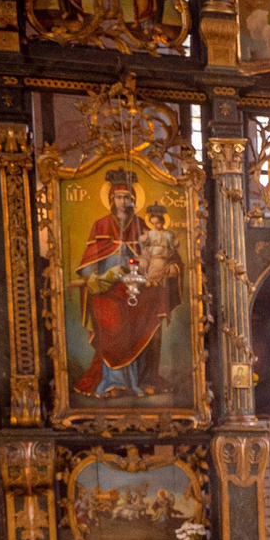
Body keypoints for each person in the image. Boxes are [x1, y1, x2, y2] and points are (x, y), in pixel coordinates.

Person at [73, 171, 171, 400]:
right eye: (119, 197)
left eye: (127, 197)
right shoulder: (100, 225)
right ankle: (113, 381)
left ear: (133, 200)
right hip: (107, 288)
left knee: (141, 323)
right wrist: (93, 278)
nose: (123, 202)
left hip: (133, 286)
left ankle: (138, 380)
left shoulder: (140, 225)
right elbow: (88, 262)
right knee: (113, 329)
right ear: (111, 199)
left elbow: (156, 253)